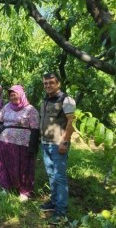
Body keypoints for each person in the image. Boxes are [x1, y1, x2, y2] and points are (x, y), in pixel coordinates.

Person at [39, 73, 76, 225]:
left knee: (60, 178)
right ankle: (54, 203)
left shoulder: (66, 100)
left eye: (51, 83)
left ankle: (61, 212)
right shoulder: (46, 100)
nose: (48, 85)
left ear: (58, 83)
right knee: (51, 175)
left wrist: (64, 142)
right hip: (45, 143)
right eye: (46, 83)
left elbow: (71, 122)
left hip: (58, 144)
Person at [0, 85, 39, 202]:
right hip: (4, 142)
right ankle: (6, 187)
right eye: (11, 95)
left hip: (23, 144)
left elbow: (35, 129)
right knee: (4, 165)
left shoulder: (30, 109)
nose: (13, 97)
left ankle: (24, 191)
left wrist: (32, 146)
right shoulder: (6, 107)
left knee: (24, 167)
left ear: (21, 94)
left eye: (15, 94)